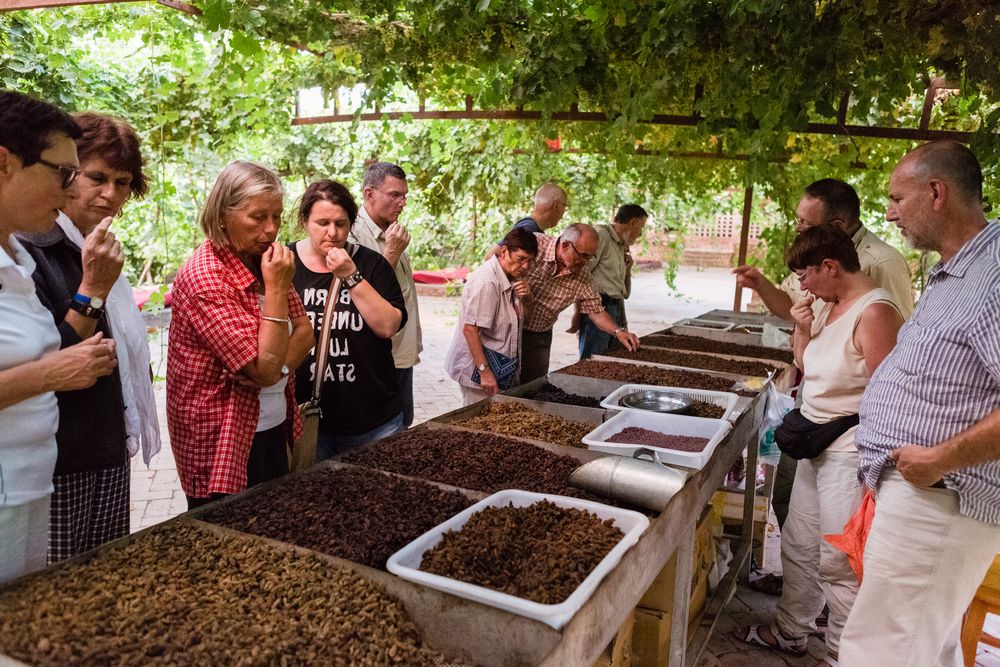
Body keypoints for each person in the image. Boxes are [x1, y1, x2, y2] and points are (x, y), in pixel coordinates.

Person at [838, 141, 1000, 667]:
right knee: (921, 646)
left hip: (945, 496)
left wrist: (940, 459)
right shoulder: (958, 269)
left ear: (935, 193)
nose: (887, 213)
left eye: (895, 198)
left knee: (885, 650)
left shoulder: (994, 275)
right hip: (926, 493)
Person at [737, 225, 903, 666]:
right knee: (799, 541)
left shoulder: (876, 312)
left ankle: (841, 654)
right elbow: (807, 365)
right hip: (817, 442)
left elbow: (889, 394)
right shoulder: (829, 306)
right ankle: (792, 632)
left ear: (830, 266)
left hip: (850, 450)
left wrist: (875, 467)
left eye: (804, 275)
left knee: (839, 559)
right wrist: (802, 328)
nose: (802, 285)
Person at [18, 112, 161, 564]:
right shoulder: (30, 251)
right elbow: (46, 364)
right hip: (59, 462)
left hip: (107, 446)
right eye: (97, 177)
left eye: (122, 182)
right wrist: (93, 290)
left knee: (104, 577)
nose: (110, 194)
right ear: (66, 175)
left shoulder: (97, 243)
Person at [0, 90, 117, 582]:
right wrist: (51, 373)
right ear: (5, 163)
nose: (70, 191)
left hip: (30, 484)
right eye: (62, 173)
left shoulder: (19, 263)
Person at [166, 161, 314, 510]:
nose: (271, 229)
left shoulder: (257, 258)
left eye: (276, 216)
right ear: (222, 215)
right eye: (258, 217)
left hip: (270, 423)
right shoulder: (207, 277)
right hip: (224, 441)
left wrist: (277, 371)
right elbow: (261, 369)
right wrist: (277, 288)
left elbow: (306, 332)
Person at [290, 179, 407, 458]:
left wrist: (351, 276)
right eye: (322, 223)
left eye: (341, 224)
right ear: (304, 220)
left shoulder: (372, 264)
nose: (332, 232)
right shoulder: (284, 263)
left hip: (374, 419)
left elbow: (388, 326)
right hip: (307, 419)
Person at [733, 178, 914, 322]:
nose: (798, 228)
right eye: (798, 219)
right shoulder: (815, 251)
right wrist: (761, 285)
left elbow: (896, 337)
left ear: (837, 226)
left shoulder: (883, 263)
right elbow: (790, 305)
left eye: (806, 223)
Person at [349, 162, 421, 428]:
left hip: (401, 350)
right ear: (370, 194)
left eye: (404, 196)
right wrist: (390, 253)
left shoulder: (392, 231)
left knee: (405, 421)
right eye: (394, 195)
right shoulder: (354, 236)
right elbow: (360, 298)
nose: (402, 203)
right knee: (386, 429)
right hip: (379, 356)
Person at [519, 223, 640, 382]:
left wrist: (618, 332)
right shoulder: (535, 244)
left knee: (533, 383)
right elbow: (499, 259)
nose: (586, 262)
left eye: (591, 257)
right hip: (508, 329)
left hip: (538, 334)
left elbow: (596, 311)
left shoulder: (583, 276)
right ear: (565, 246)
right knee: (501, 382)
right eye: (583, 256)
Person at [445, 227, 537, 404]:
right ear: (504, 252)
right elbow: (470, 330)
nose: (525, 266)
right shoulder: (488, 281)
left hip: (500, 369)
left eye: (530, 261)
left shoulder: (513, 277)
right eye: (521, 259)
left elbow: (525, 322)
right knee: (476, 425)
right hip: (478, 374)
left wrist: (527, 299)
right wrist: (484, 372)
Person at [573, 204, 648, 359]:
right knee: (593, 362)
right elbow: (580, 274)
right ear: (632, 222)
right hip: (598, 309)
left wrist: (627, 269)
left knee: (612, 360)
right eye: (641, 227)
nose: (640, 234)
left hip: (616, 308)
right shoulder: (601, 236)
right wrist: (577, 312)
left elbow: (624, 293)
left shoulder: (621, 245)